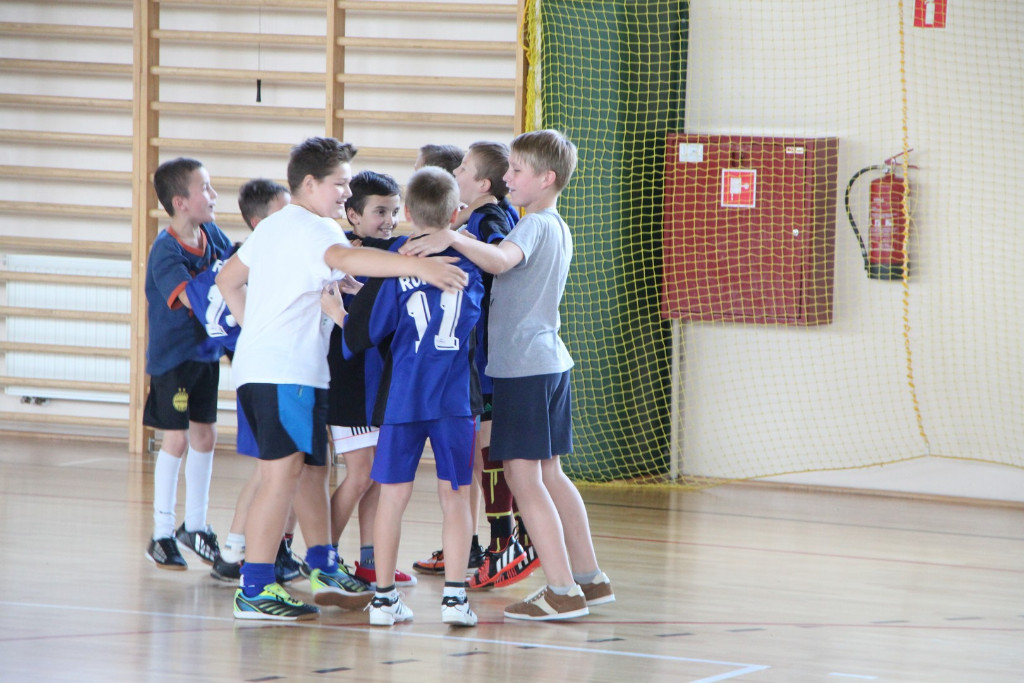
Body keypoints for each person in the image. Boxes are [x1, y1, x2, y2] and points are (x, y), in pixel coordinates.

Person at [216, 137, 468, 621]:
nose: (346, 192)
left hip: (279, 369)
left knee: (313, 471)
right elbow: (349, 258)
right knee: (280, 477)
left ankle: (324, 565)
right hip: (283, 372)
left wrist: (258, 332)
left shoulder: (276, 225)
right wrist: (419, 267)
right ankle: (255, 588)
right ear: (310, 184)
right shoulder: (315, 226)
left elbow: (228, 280)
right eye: (340, 183)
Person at [400, 129, 615, 621]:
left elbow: (499, 261)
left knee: (522, 476)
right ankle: (590, 578)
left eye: (517, 171)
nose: (508, 178)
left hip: (523, 367)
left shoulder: (533, 224)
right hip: (549, 363)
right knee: (550, 474)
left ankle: (561, 590)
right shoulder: (555, 225)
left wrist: (451, 236)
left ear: (547, 178)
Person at [322, 166, 483, 627]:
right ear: (454, 214)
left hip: (403, 399)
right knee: (456, 497)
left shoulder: (394, 263)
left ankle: (383, 599)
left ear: (407, 212)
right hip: (454, 400)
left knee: (392, 497)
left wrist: (340, 311)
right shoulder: (472, 261)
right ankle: (455, 598)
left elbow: (364, 333)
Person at [196, 179, 302, 584]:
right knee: (271, 471)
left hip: (269, 373)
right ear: (260, 222)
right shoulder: (253, 262)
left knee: (277, 470)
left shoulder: (258, 256)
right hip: (265, 375)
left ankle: (248, 551)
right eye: (283, 211)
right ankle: (238, 553)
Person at [325, 170, 416, 588]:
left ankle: (369, 560)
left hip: (380, 384)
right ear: (353, 215)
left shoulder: (395, 252)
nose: (389, 220)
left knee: (377, 475)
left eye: (394, 212)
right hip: (349, 381)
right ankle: (323, 556)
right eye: (380, 211)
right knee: (360, 474)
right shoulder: (343, 254)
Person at [453, 141, 537, 591]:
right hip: (490, 347)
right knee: (491, 448)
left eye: (463, 168)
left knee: (492, 447)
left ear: (483, 183)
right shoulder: (486, 214)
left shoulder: (488, 219)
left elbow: (495, 265)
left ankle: (505, 542)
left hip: (488, 348)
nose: (456, 173)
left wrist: (454, 240)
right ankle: (511, 540)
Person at [143, 157, 232, 571]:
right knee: (176, 440)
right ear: (180, 202)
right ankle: (161, 533)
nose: (214, 196)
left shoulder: (212, 234)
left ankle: (195, 525)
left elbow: (235, 267)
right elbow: (191, 298)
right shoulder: (166, 250)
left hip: (205, 355)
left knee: (206, 436)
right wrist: (227, 276)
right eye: (206, 189)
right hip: (173, 360)